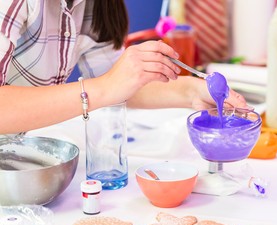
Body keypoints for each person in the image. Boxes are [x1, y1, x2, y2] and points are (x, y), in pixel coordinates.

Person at [0, 0, 247, 135]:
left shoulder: (96, 7)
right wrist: (105, 87)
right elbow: (109, 85)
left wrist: (194, 91)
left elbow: (123, 85)